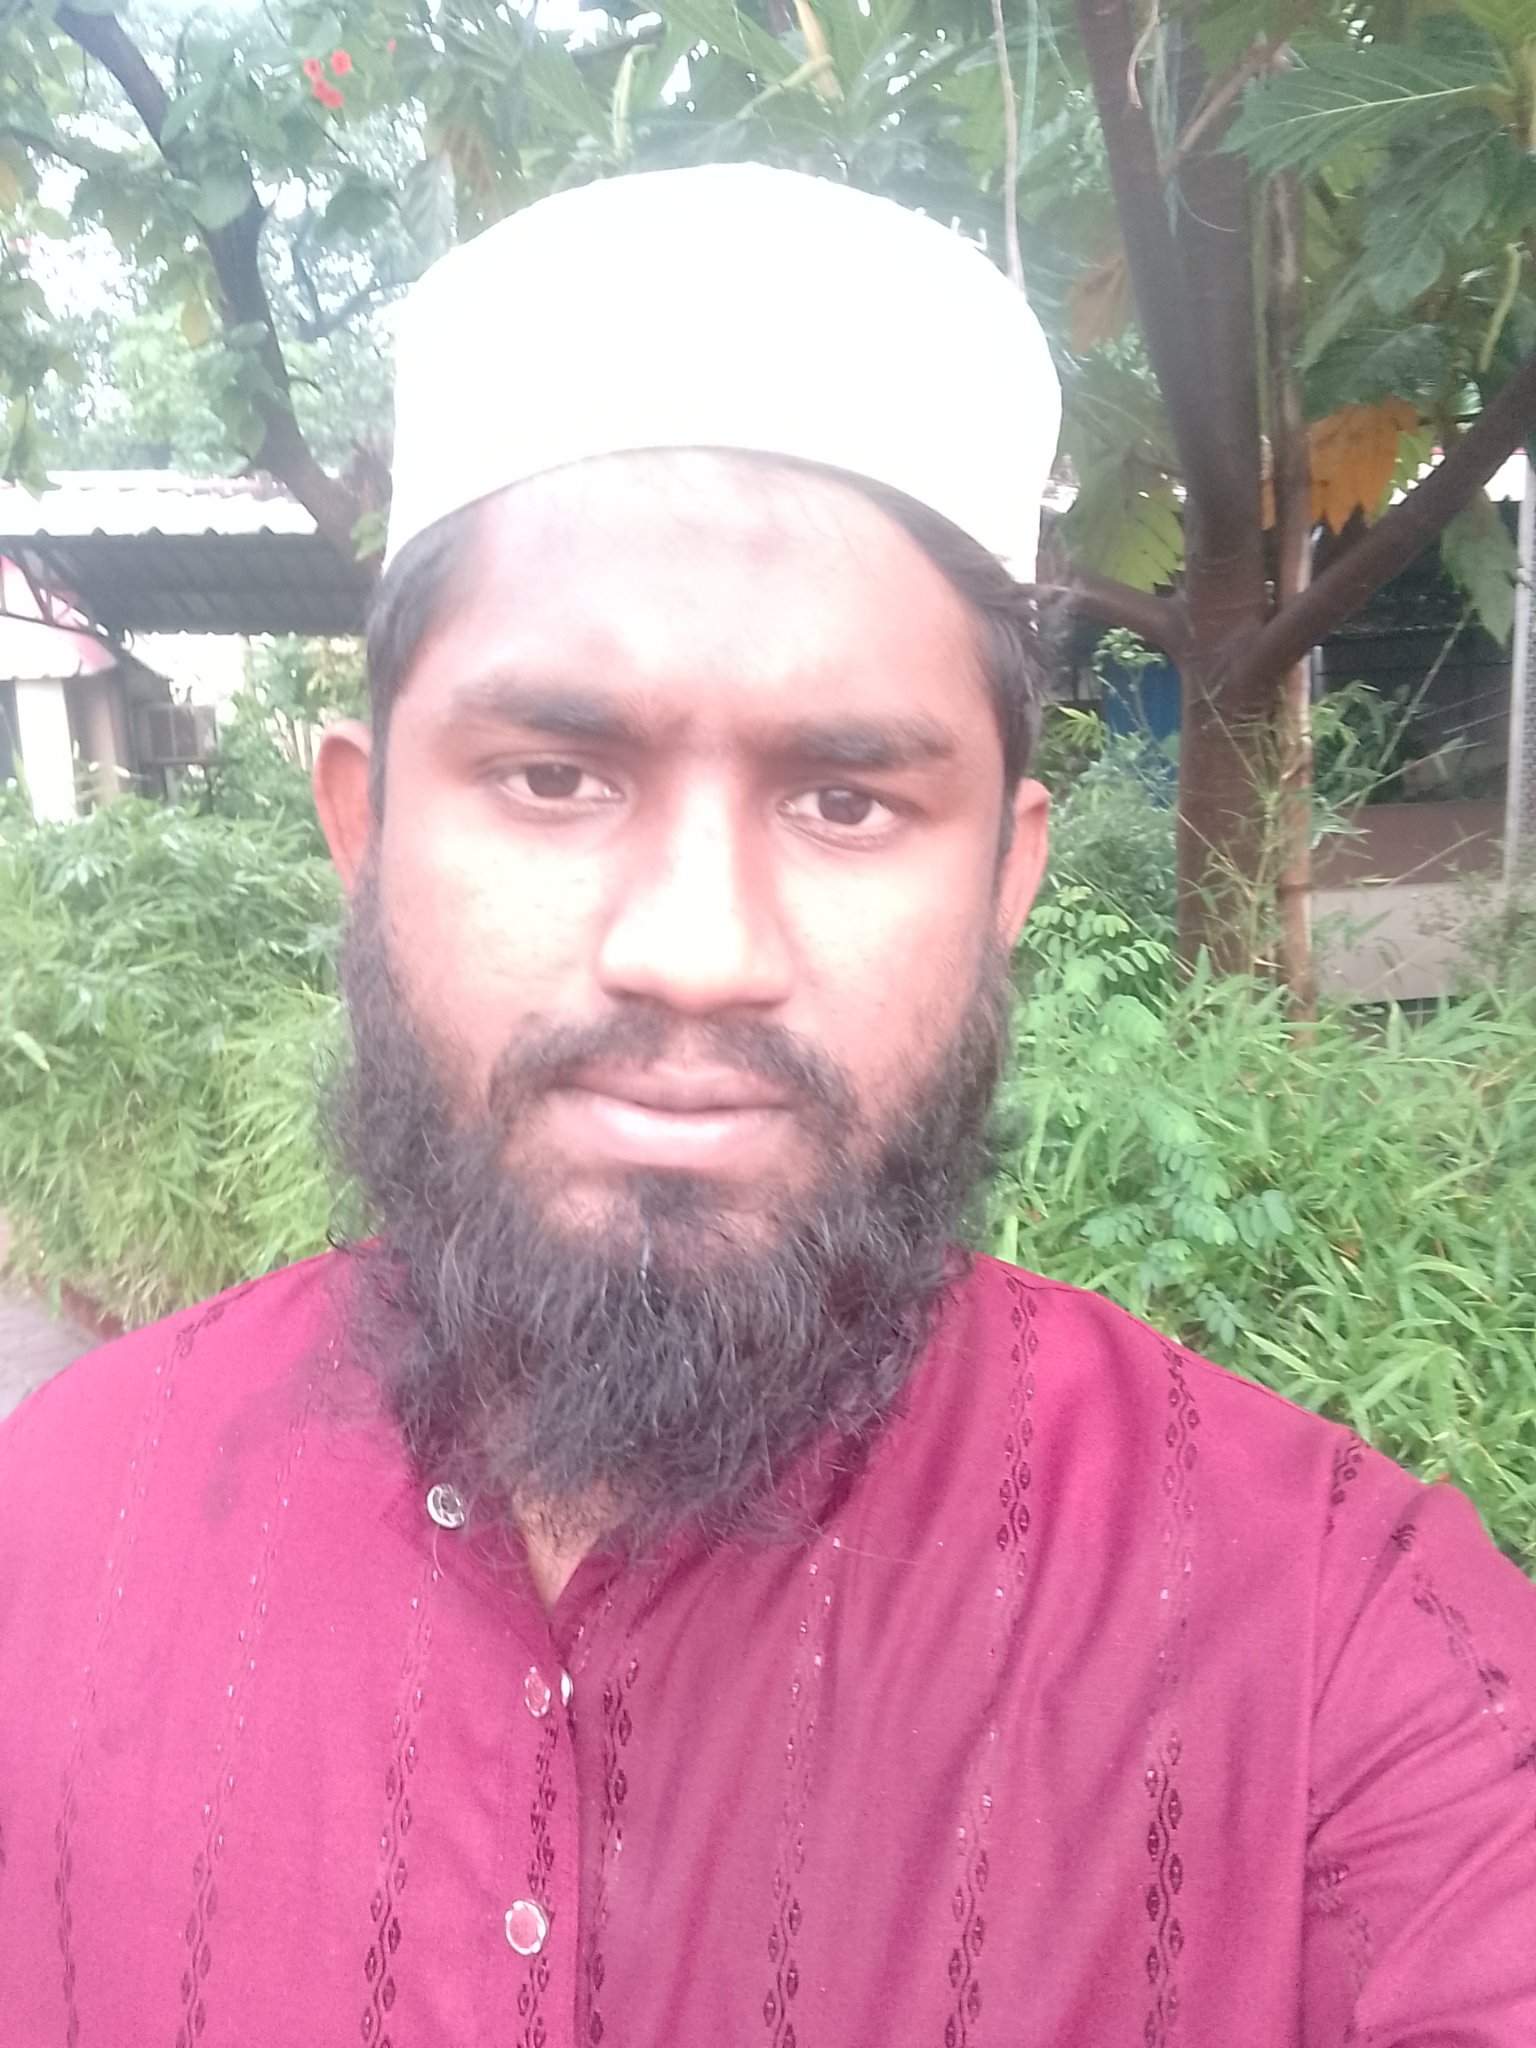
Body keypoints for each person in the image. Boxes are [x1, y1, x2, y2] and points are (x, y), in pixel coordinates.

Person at [1, 166, 1533, 2048]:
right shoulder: (54, 1532)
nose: (696, 951)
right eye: (554, 776)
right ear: (364, 828)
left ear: (1007, 879)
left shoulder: (1331, 1651)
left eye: (845, 800)